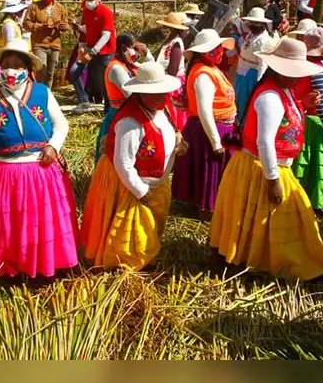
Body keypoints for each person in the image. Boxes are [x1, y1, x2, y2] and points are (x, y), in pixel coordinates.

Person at [209, 37, 323, 280]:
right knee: (275, 217)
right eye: (293, 72)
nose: (297, 77)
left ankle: (262, 260)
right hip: (262, 168)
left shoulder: (282, 91)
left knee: (260, 219)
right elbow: (265, 141)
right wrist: (273, 179)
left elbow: (282, 121)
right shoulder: (270, 97)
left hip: (266, 166)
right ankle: (274, 263)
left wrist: (303, 104)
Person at [0, 39, 78, 279]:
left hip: (40, 171)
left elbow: (61, 124)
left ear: (28, 70)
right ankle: (11, 268)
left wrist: (53, 146)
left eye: (18, 65)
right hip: (2, 174)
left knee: (41, 222)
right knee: (8, 225)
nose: (11, 71)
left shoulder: (42, 93)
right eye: (6, 65)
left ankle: (43, 267)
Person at [81, 62, 182, 270]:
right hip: (131, 185)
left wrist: (178, 144)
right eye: (153, 93)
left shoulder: (161, 110)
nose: (159, 97)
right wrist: (140, 191)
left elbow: (168, 133)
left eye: (162, 92)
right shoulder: (130, 121)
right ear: (141, 93)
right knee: (132, 235)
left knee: (151, 227)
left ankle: (146, 258)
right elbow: (123, 162)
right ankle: (126, 265)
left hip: (156, 181)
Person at [173, 29, 237, 218]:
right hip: (208, 131)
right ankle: (206, 212)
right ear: (203, 52)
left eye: (219, 47)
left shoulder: (211, 69)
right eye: (214, 48)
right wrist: (216, 142)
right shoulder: (203, 74)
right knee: (208, 171)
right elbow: (204, 110)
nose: (220, 51)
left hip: (216, 128)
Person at [290, 25, 323, 209]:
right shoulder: (317, 70)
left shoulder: (302, 65)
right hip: (316, 124)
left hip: (301, 120)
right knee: (319, 164)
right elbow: (321, 108)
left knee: (304, 164)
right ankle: (318, 204)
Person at [94, 33, 144, 163]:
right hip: (119, 116)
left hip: (128, 113)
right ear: (123, 48)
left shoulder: (127, 64)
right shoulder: (116, 68)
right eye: (133, 48)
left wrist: (147, 54)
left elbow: (151, 70)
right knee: (116, 155)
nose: (135, 52)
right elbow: (130, 94)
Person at [24, 0, 70, 87]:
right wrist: (39, 26)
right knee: (41, 70)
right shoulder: (34, 7)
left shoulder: (60, 8)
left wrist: (63, 27)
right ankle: (38, 91)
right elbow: (26, 23)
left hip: (55, 44)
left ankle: (47, 92)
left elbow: (66, 23)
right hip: (39, 44)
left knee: (50, 74)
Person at [78, 0, 117, 112]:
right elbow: (89, 29)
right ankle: (102, 104)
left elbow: (106, 35)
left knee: (106, 81)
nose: (88, 3)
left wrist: (93, 51)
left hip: (105, 52)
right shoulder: (86, 11)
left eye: (90, 0)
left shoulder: (106, 12)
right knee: (97, 81)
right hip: (92, 49)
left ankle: (110, 110)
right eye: (86, 0)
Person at [234, 7, 274, 120]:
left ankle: (243, 122)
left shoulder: (263, 40)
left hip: (250, 75)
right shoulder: (251, 35)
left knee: (245, 101)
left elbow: (263, 64)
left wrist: (259, 82)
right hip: (242, 71)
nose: (251, 25)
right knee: (238, 98)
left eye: (255, 23)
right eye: (251, 22)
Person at [155, 12, 190, 132]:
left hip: (172, 83)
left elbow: (172, 70)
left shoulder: (176, 43)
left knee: (173, 115)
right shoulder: (171, 41)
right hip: (167, 80)